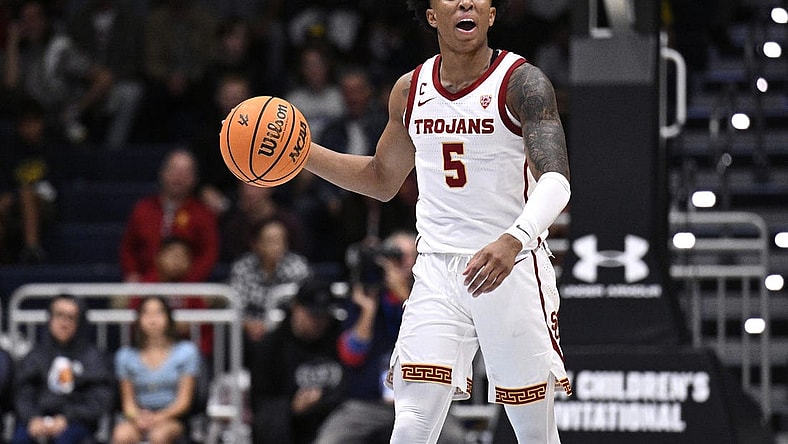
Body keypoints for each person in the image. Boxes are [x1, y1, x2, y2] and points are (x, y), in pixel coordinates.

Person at [303, 1, 573, 442]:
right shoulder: (410, 90)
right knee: (412, 419)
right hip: (437, 270)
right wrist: (304, 154)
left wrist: (515, 239)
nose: (465, 2)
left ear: (490, 15)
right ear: (431, 16)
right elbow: (381, 178)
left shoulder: (522, 83)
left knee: (533, 431)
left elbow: (557, 181)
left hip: (511, 265)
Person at [314, 231, 465, 444]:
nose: (404, 263)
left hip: (420, 401)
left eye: (411, 255)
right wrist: (368, 311)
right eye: (397, 255)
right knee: (330, 440)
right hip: (368, 403)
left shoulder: (432, 296)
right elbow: (351, 356)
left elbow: (431, 342)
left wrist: (404, 295)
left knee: (454, 438)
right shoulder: (366, 292)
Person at [247, 278, 345, 444]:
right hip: (294, 428)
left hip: (338, 423)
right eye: (312, 314)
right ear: (295, 308)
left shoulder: (340, 337)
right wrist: (291, 407)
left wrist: (325, 398)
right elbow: (259, 403)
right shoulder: (271, 347)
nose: (319, 322)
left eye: (324, 315)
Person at [11, 294, 114, 444]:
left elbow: (99, 398)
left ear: (80, 322)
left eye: (71, 317)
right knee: (21, 439)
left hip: (77, 421)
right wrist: (32, 417)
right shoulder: (36, 355)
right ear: (50, 318)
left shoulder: (92, 357)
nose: (64, 323)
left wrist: (68, 417)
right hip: (36, 419)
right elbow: (22, 391)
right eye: (59, 315)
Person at [119, 148, 220, 283]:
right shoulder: (142, 209)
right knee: (119, 300)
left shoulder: (203, 214)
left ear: (195, 178)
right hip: (144, 284)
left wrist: (189, 283)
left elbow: (208, 254)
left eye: (185, 172)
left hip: (190, 287)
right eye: (174, 170)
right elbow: (128, 248)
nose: (179, 177)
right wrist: (132, 273)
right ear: (163, 173)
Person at [111, 296, 202, 444]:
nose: (152, 319)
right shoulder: (125, 356)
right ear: (138, 320)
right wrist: (138, 418)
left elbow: (184, 402)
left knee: (159, 436)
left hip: (173, 417)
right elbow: (128, 403)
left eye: (159, 312)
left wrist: (158, 417)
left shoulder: (186, 352)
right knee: (121, 435)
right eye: (146, 313)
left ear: (168, 318)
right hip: (139, 416)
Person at [227, 218, 312, 364]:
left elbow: (302, 307)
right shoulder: (242, 267)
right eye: (270, 240)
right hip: (248, 331)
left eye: (281, 240)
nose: (276, 246)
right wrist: (248, 324)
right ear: (256, 244)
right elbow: (234, 305)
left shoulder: (298, 267)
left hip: (284, 331)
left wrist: (272, 326)